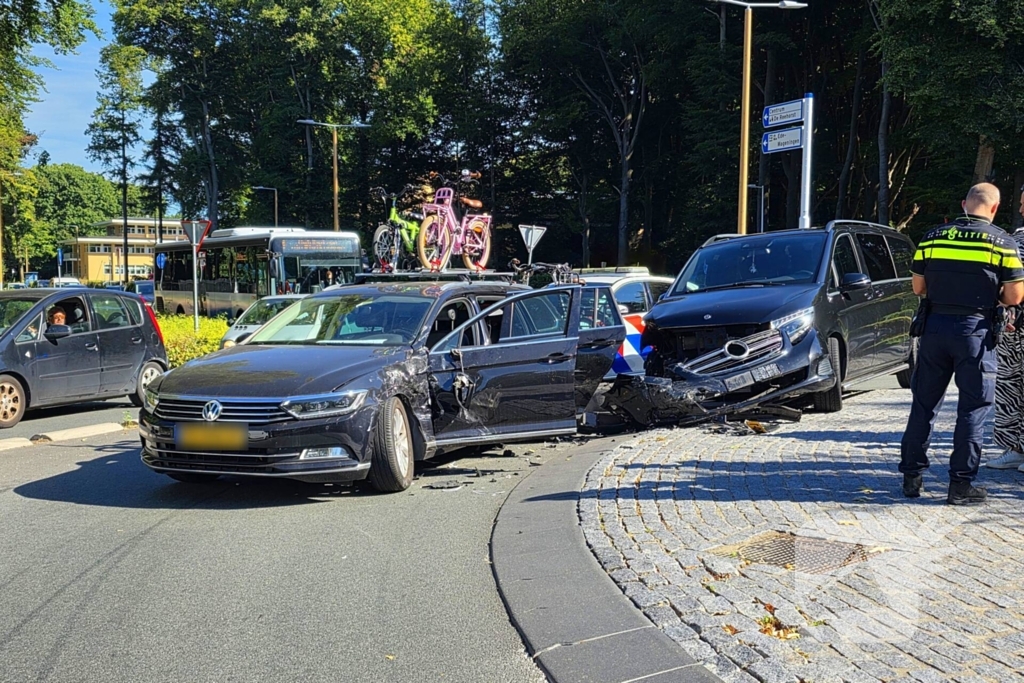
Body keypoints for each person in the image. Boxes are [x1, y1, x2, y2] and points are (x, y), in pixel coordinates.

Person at [900, 182, 1024, 505]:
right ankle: (960, 485)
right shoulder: (1003, 242)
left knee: (924, 403)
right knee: (973, 409)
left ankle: (911, 476)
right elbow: (1015, 296)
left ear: (963, 204)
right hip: (976, 332)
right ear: (994, 209)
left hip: (934, 330)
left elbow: (918, 288)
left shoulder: (932, 237)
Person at [987, 185, 1024, 471]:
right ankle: (1016, 449)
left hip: (1017, 325)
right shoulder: (1016, 239)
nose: (1021, 209)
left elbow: (1006, 283)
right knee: (1012, 388)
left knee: (1014, 387)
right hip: (1014, 330)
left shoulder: (1015, 242)